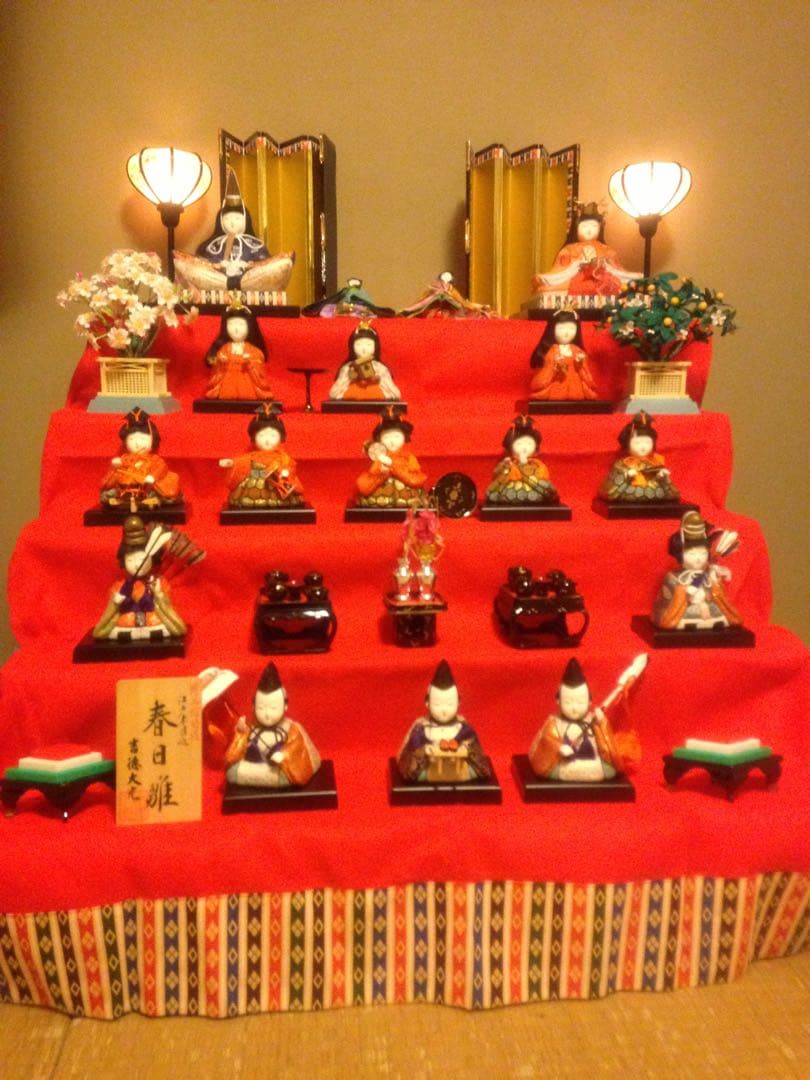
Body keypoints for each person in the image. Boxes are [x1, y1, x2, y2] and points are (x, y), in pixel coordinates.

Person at [173, 168, 294, 295]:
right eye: (228, 219)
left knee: (283, 264)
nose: (232, 223)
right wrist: (220, 265)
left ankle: (242, 285)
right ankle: (225, 286)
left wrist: (247, 265)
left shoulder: (255, 245)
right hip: (218, 281)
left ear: (245, 220)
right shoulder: (213, 245)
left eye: (237, 219)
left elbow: (264, 263)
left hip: (250, 281)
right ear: (220, 221)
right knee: (187, 266)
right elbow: (205, 262)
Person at [528, 656, 645, 781]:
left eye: (580, 702)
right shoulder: (555, 722)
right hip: (564, 764)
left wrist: (602, 722)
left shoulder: (593, 719)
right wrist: (560, 747)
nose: (574, 708)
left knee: (608, 770)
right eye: (568, 702)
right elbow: (547, 739)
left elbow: (607, 745)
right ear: (558, 701)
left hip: (592, 763)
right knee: (552, 771)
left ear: (589, 701)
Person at [224, 662, 321, 788]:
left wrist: (283, 755)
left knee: (284, 778)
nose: (267, 714)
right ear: (253, 706)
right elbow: (233, 755)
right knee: (232, 773)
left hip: (277, 770)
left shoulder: (291, 728)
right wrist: (241, 734)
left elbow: (297, 749)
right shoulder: (250, 726)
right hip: (252, 767)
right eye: (261, 708)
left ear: (285, 706)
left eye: (273, 708)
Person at [92, 515, 186, 641]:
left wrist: (159, 595)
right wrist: (115, 602)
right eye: (130, 560)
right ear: (123, 562)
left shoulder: (158, 583)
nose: (137, 565)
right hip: (126, 625)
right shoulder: (119, 587)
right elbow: (101, 627)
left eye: (142, 559)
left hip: (153, 624)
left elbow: (175, 622)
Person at [396, 660, 491, 783]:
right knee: (419, 776)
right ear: (427, 702)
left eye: (450, 704)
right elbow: (411, 757)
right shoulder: (422, 729)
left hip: (460, 770)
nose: (444, 710)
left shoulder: (464, 729)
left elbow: (476, 754)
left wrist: (465, 749)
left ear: (459, 702)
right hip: (431, 770)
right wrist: (426, 751)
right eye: (437, 704)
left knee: (473, 773)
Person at [652, 511, 743, 630]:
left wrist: (715, 581)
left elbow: (717, 592)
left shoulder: (708, 570)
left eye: (703, 553)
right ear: (681, 555)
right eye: (692, 554)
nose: (698, 558)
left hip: (708, 606)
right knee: (681, 615)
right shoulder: (673, 577)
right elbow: (677, 595)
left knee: (719, 612)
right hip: (685, 609)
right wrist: (687, 591)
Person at [532, 203, 640, 296]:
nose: (589, 230)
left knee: (625, 285)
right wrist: (579, 264)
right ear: (576, 229)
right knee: (549, 286)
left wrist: (602, 265)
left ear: (600, 229)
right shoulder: (569, 249)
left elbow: (617, 270)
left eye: (594, 226)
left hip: (602, 280)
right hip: (575, 279)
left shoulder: (606, 250)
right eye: (584, 226)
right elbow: (560, 271)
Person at [219, 404, 304, 508]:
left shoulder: (283, 457)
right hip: (254, 482)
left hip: (277, 483)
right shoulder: (252, 456)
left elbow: (289, 469)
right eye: (261, 435)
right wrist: (231, 463)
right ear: (253, 438)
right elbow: (242, 462)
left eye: (273, 435)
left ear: (281, 438)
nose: (267, 440)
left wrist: (283, 473)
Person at [100, 408, 181, 511]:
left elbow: (162, 468)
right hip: (126, 490)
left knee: (162, 490)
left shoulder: (155, 459)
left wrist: (152, 476)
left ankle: (154, 500)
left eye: (143, 439)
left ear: (152, 441)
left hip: (147, 489)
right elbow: (107, 482)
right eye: (131, 439)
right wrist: (115, 468)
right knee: (110, 493)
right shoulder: (124, 459)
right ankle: (122, 501)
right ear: (125, 442)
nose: (137, 443)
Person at [599, 411, 680, 503]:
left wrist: (662, 477)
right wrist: (627, 476)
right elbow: (608, 493)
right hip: (629, 497)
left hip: (655, 497)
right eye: (637, 443)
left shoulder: (655, 462)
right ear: (627, 445)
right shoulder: (622, 465)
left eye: (647, 442)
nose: (643, 447)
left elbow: (673, 494)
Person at [355, 412, 427, 508]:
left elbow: (416, 476)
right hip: (382, 494)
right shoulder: (380, 457)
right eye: (386, 437)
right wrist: (382, 471)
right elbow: (372, 475)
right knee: (363, 483)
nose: (392, 441)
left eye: (397, 436)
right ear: (380, 439)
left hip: (406, 492)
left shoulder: (408, 457)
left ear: (404, 438)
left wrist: (393, 466)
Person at [485, 415, 560, 506]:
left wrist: (525, 467)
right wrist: (505, 466)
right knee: (501, 491)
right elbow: (497, 475)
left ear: (536, 447)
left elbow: (541, 476)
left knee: (542, 492)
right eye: (519, 444)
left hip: (533, 487)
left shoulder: (536, 464)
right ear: (511, 447)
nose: (524, 447)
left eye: (529, 443)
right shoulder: (510, 463)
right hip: (510, 486)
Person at [204, 303, 273, 401]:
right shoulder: (224, 349)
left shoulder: (255, 351)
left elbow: (259, 369)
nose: (236, 329)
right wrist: (221, 362)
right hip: (227, 383)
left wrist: (249, 363)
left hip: (247, 383)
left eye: (241, 324)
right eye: (231, 324)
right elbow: (216, 366)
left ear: (250, 327)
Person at [529, 309, 598, 401]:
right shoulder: (551, 351)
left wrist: (580, 363)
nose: (566, 333)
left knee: (577, 396)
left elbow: (584, 372)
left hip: (575, 386)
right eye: (561, 328)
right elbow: (546, 372)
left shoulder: (577, 351)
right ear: (552, 329)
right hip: (557, 385)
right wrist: (555, 365)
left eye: (571, 328)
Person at [328, 322, 401, 401]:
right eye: (358, 345)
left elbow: (394, 393)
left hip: (375, 395)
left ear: (376, 346)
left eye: (369, 345)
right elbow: (334, 393)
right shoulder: (348, 367)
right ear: (352, 347)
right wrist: (350, 377)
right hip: (352, 395)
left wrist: (377, 378)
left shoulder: (380, 367)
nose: (364, 349)